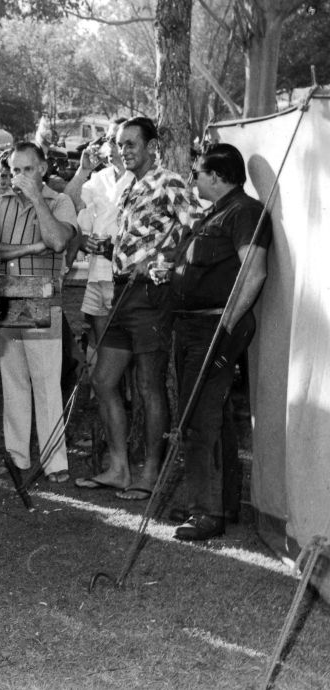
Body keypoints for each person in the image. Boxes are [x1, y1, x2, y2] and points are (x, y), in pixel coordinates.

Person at [76, 117, 197, 500]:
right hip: (122, 293)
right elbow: (137, 239)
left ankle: (150, 474)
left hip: (151, 297)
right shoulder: (127, 186)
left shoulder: (170, 182)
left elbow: (197, 230)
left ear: (151, 146)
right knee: (103, 380)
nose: (124, 150)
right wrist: (107, 250)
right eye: (120, 144)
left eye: (131, 144)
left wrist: (161, 263)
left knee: (148, 385)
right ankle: (118, 468)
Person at [168, 143, 270, 540]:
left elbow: (255, 272)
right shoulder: (215, 212)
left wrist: (226, 325)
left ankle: (206, 513)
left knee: (199, 418)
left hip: (214, 327)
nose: (193, 179)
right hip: (192, 326)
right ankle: (219, 502)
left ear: (217, 175)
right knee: (214, 417)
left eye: (197, 173)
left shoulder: (244, 212)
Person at [0, 142, 76, 483]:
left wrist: (36, 198)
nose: (20, 176)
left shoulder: (59, 201)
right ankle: (16, 457)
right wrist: (29, 248)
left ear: (43, 168)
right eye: (15, 169)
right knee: (14, 381)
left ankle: (55, 463)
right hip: (8, 300)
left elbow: (59, 241)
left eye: (28, 169)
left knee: (47, 383)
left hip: (43, 300)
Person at [63, 119, 131, 349]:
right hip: (97, 274)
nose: (109, 147)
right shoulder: (100, 177)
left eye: (115, 141)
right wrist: (83, 171)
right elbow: (69, 203)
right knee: (103, 346)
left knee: (125, 348)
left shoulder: (143, 178)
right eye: (107, 140)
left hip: (126, 277)